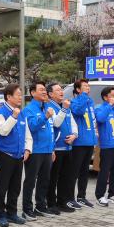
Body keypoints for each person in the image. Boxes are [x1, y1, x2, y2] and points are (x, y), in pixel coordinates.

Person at [0, 83, 32, 227]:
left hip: (19, 155)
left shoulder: (21, 113)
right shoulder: (0, 113)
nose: (21, 97)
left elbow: (27, 133)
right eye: (18, 95)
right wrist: (13, 117)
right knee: (2, 186)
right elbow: (3, 131)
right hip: (5, 155)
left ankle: (12, 213)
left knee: (15, 187)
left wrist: (28, 149)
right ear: (9, 97)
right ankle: (0, 214)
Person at [21, 82, 55, 221]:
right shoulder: (28, 110)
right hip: (34, 151)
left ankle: (41, 206)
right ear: (33, 93)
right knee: (30, 180)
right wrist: (45, 117)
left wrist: (52, 148)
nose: (44, 92)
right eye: (41, 90)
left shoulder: (47, 107)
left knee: (44, 180)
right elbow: (32, 127)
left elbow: (51, 130)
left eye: (45, 90)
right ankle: (27, 209)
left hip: (47, 150)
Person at [46, 83, 78, 214]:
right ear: (50, 94)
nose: (61, 92)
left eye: (61, 89)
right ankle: (51, 203)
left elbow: (73, 124)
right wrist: (64, 109)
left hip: (68, 147)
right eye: (58, 90)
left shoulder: (66, 106)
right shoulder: (49, 107)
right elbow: (56, 123)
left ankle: (62, 201)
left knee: (65, 177)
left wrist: (74, 135)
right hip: (56, 148)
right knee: (53, 178)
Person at [68, 79, 97, 209]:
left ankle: (82, 196)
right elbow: (78, 112)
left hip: (89, 141)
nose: (87, 88)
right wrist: (84, 96)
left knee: (84, 171)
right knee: (74, 171)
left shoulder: (90, 102)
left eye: (88, 86)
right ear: (78, 90)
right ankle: (70, 197)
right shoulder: (74, 102)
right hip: (79, 143)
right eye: (84, 86)